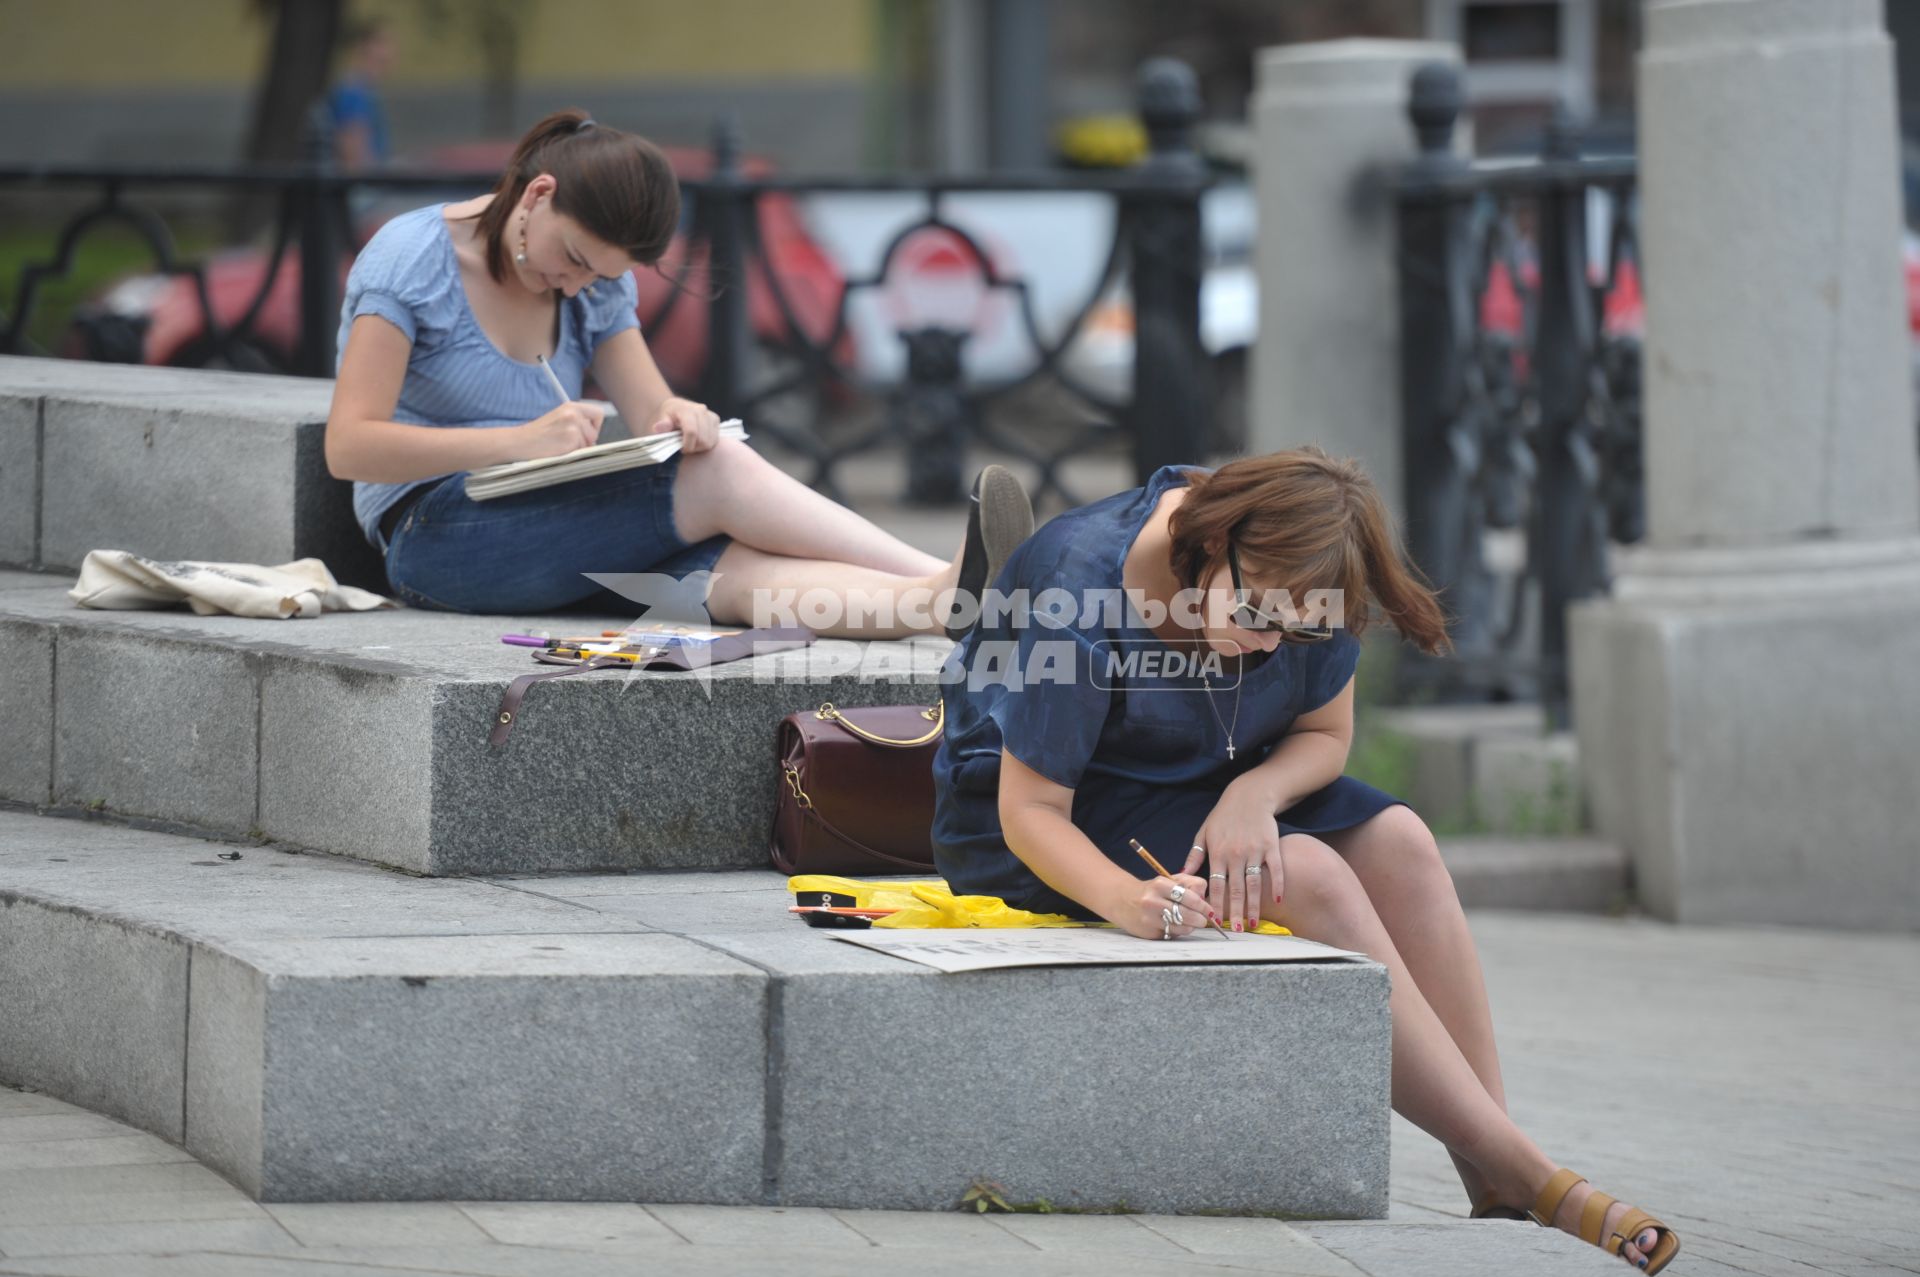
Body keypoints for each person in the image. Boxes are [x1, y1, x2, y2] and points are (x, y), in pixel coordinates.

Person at [930, 450, 1680, 1274]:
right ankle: (1529, 1170)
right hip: (1058, 807)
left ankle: (1491, 1167)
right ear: (1214, 541)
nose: (1268, 643)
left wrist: (1254, 795)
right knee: (1312, 872)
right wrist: (1124, 899)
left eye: (1296, 630)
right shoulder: (1080, 578)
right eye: (1256, 615)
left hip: (1214, 773)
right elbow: (1029, 811)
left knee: (1403, 842)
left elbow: (1324, 736)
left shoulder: (1308, 587)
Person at [326, 109, 997, 630]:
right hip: (431, 536)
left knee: (730, 578)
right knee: (718, 473)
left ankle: (939, 605)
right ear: (538, 194)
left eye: (600, 274)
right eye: (575, 256)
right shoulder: (412, 260)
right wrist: (516, 441)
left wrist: (681, 418)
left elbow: (652, 410)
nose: (575, 283)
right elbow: (349, 445)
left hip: (537, 510)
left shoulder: (591, 286)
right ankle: (970, 582)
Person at [327, 19, 395, 171]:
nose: (390, 52)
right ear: (365, 47)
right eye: (383, 43)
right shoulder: (354, 92)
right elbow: (353, 157)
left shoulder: (364, 91)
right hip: (365, 188)